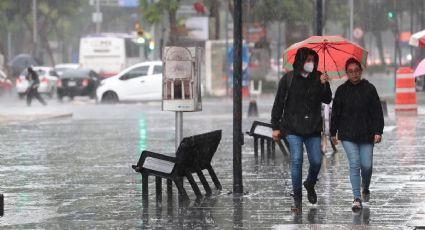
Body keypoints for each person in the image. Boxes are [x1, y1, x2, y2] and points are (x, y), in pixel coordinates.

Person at [271, 47, 332, 213]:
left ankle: (310, 183)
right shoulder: (288, 79)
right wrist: (275, 126)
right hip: (292, 128)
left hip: (312, 128)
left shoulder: (318, 77)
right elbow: (278, 104)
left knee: (317, 162)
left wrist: (324, 84)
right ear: (300, 61)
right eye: (307, 60)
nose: (310, 64)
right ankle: (297, 199)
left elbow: (327, 99)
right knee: (297, 160)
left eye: (312, 60)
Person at [330, 57, 384, 211]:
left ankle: (365, 185)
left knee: (366, 165)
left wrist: (378, 131)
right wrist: (333, 133)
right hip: (347, 135)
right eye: (350, 71)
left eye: (356, 71)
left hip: (366, 135)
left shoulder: (370, 89)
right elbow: (336, 114)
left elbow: (377, 112)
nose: (354, 74)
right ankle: (356, 198)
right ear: (346, 73)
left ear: (361, 71)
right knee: (354, 163)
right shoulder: (341, 91)